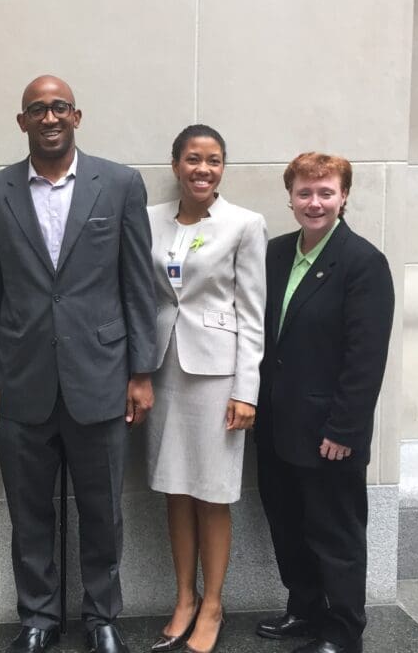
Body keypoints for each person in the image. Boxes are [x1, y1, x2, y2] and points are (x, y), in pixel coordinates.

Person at [0, 75, 157, 653]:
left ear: (76, 116)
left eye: (58, 108)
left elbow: (138, 285)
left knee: (103, 508)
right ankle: (38, 618)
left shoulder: (120, 184)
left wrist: (142, 371)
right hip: (20, 377)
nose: (48, 117)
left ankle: (102, 617)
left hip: (101, 375)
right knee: (29, 510)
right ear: (21, 121)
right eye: (36, 109)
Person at [254, 153, 394, 653]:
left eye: (326, 192)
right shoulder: (274, 254)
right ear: (290, 197)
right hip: (275, 424)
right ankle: (304, 610)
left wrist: (344, 430)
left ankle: (342, 631)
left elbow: (366, 358)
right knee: (288, 525)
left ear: (344, 197)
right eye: (305, 193)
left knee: (335, 533)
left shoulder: (363, 263)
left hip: (329, 432)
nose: (314, 203)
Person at [145, 125, 266, 653]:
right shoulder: (149, 220)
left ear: (223, 168)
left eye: (214, 161)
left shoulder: (244, 224)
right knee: (175, 488)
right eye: (193, 159)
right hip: (161, 369)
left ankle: (214, 604)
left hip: (217, 376)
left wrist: (248, 389)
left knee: (213, 495)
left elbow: (253, 313)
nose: (203, 169)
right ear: (175, 164)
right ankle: (184, 598)